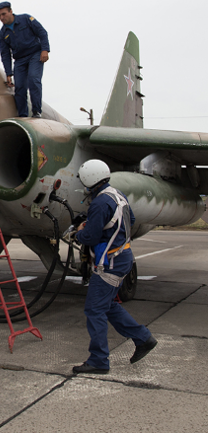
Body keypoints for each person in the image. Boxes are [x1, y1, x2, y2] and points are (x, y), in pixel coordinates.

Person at [72, 160, 158, 374]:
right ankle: (143, 338)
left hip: (110, 262)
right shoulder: (117, 195)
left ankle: (99, 360)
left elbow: (90, 237)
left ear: (91, 180)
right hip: (122, 257)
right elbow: (131, 219)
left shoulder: (100, 203)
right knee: (107, 305)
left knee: (94, 309)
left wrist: (78, 232)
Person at [0, 1, 50, 118]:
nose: (1, 17)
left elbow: (42, 33)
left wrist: (45, 49)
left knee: (33, 79)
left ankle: (36, 111)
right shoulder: (3, 33)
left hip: (35, 54)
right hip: (20, 60)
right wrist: (8, 73)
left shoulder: (26, 19)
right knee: (19, 87)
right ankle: (23, 115)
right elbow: (5, 54)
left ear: (11, 11)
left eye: (3, 14)